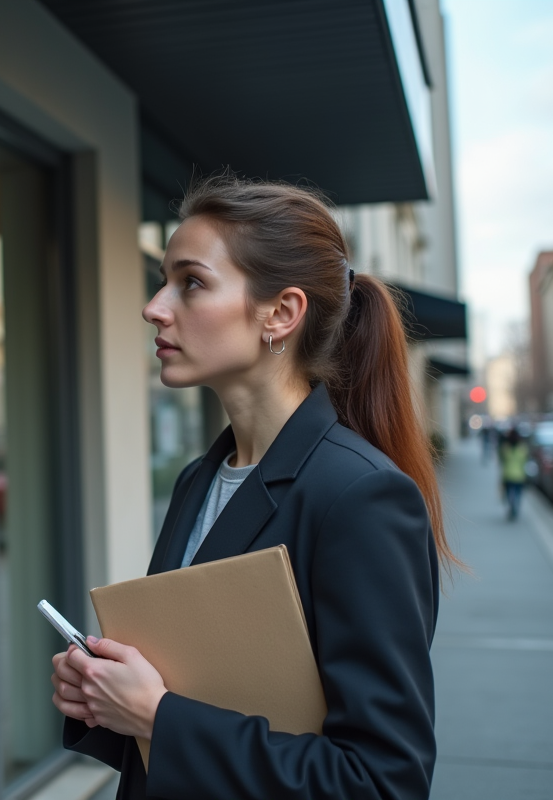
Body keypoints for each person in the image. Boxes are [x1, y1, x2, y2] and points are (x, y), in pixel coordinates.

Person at [51, 175, 463, 800]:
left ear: (281, 313)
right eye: (164, 279)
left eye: (191, 282)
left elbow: (383, 782)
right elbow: (199, 697)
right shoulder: (200, 479)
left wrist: (157, 716)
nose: (155, 306)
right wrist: (105, 701)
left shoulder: (363, 497)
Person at [498, 428, 529, 520]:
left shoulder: (505, 448)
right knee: (518, 494)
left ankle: (512, 506)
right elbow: (525, 460)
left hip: (508, 475)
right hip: (519, 475)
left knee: (509, 494)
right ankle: (515, 507)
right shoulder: (522, 448)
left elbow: (501, 459)